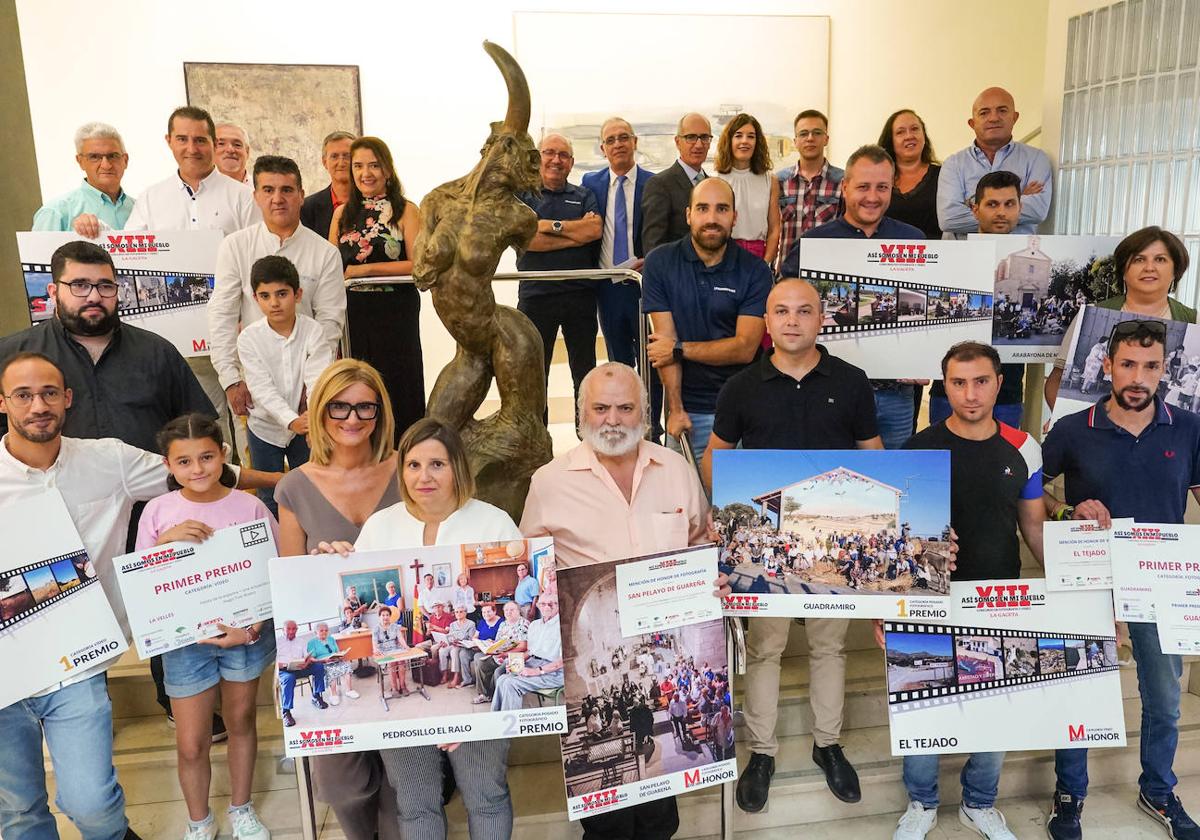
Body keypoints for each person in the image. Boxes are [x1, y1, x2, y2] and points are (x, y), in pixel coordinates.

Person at [0, 353, 275, 838]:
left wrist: (290, 480)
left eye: (48, 393)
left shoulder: (108, 460)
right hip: (7, 663)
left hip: (79, 655)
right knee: (18, 810)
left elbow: (205, 474)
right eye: (23, 395)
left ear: (67, 399)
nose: (37, 405)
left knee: (92, 801)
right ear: (3, 403)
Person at [0, 240, 222, 736]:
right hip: (55, 515)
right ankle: (74, 707)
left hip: (152, 507)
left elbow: (197, 422)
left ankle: (178, 695)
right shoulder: (18, 355)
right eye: (79, 285)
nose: (93, 296)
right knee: (62, 610)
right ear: (53, 291)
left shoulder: (156, 352)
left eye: (104, 285)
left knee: (168, 599)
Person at [700, 279, 883, 812]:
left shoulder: (851, 383)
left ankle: (828, 744)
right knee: (765, 649)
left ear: (822, 319)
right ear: (767, 320)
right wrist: (727, 514)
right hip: (768, 547)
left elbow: (871, 455)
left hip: (830, 546)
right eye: (781, 311)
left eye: (804, 311)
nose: (793, 321)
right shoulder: (741, 386)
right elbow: (716, 455)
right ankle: (762, 752)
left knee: (830, 646)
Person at [521, 360, 721, 840]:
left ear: (645, 413)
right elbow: (531, 572)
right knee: (607, 825)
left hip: (669, 636)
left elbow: (700, 541)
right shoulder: (549, 482)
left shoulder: (675, 468)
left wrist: (717, 572)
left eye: (625, 408)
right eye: (601, 407)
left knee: (660, 819)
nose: (613, 419)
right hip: (588, 657)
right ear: (581, 413)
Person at [1042, 320, 1200, 840]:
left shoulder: (1189, 426)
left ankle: (1157, 790)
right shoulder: (1070, 428)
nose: (1137, 377)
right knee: (1080, 687)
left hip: (1160, 581)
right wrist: (1067, 509)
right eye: (1127, 364)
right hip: (1091, 575)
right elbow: (1032, 492)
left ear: (1165, 370)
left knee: (1164, 696)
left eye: (1150, 366)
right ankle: (1070, 794)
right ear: (1107, 365)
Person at [890, 341, 1044, 840]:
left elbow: (1034, 529)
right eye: (958, 383)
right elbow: (899, 538)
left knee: (994, 706)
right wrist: (884, 605)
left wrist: (1074, 589)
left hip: (999, 596)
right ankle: (921, 802)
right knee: (921, 700)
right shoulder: (918, 449)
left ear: (1000, 383)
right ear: (943, 386)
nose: (971, 393)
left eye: (981, 381)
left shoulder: (1024, 447)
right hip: (930, 598)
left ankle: (980, 802)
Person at [353, 417, 520, 839]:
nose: (423, 476)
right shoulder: (379, 527)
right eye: (413, 465)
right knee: (415, 804)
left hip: (475, 682)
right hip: (414, 673)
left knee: (487, 794)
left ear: (457, 468)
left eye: (437, 465)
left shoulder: (493, 521)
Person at [274, 358, 401, 840]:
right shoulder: (295, 486)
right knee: (344, 788)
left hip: (393, 643)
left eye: (365, 408)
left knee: (402, 788)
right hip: (333, 652)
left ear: (380, 412)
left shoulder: (406, 469)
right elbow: (292, 586)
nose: (352, 419)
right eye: (339, 408)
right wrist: (318, 566)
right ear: (319, 412)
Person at [136, 413, 279, 840]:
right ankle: (199, 820)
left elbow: (271, 569)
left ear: (224, 456)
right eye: (184, 461)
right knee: (191, 741)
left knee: (241, 724)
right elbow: (141, 582)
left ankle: (241, 808)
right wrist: (163, 545)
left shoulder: (250, 505)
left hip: (243, 637)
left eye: (206, 457)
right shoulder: (158, 512)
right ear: (167, 464)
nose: (197, 469)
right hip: (185, 644)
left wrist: (252, 628)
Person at [780, 145, 927, 451]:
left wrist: (926, 356)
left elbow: (926, 311)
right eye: (863, 187)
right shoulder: (814, 243)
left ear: (892, 189)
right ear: (845, 188)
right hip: (826, 390)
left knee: (891, 479)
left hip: (895, 393)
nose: (872, 197)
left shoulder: (915, 241)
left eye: (882, 187)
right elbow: (785, 307)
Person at [211, 155, 346, 467]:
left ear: (300, 194)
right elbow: (223, 313)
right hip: (255, 388)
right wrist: (231, 379)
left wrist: (312, 389)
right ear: (255, 195)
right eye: (268, 190)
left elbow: (329, 322)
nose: (277, 198)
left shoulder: (324, 253)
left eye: (287, 190)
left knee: (314, 477)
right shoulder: (235, 247)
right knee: (265, 482)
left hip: (308, 393)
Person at [642, 177, 771, 460]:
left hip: (744, 412)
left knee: (738, 503)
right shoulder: (660, 263)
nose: (711, 218)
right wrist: (675, 410)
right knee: (684, 502)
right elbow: (664, 344)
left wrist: (679, 348)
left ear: (734, 217)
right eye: (702, 209)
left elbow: (744, 348)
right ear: (688, 215)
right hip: (688, 412)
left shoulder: (756, 271)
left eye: (722, 209)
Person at [330, 136, 425, 437]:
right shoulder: (341, 214)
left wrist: (365, 269)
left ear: (387, 169)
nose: (365, 173)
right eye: (358, 166)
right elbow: (332, 269)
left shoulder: (407, 210)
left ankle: (403, 453)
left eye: (373, 165)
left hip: (395, 312)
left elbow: (418, 265)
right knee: (359, 385)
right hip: (354, 313)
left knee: (399, 383)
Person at [1046, 226, 1196, 409]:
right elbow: (1055, 380)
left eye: (1160, 259)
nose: (1149, 267)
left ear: (1175, 270)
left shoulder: (1194, 319)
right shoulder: (1092, 311)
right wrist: (1066, 422)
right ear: (1124, 270)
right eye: (1139, 259)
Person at [928, 172, 1028, 428]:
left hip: (1007, 390)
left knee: (1001, 462)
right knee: (947, 463)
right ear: (975, 209)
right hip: (949, 390)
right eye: (992, 204)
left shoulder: (1022, 259)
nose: (1001, 212)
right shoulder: (947, 259)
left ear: (1020, 208)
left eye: (1009, 204)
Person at [236, 254, 334, 517]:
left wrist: (312, 418)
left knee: (311, 488)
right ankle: (277, 549)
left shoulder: (313, 331)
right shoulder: (249, 338)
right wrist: (291, 420)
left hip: (305, 427)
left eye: (282, 294)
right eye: (265, 296)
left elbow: (318, 378)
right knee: (269, 495)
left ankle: (309, 546)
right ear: (255, 299)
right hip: (265, 429)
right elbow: (261, 388)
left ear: (298, 294)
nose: (274, 303)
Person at [516, 133, 602, 417]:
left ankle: (587, 435)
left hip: (580, 296)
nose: (556, 160)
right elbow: (526, 241)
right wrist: (571, 230)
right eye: (549, 153)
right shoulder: (523, 196)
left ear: (571, 162)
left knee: (585, 372)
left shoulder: (584, 195)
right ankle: (538, 440)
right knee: (535, 373)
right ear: (538, 158)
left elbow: (593, 231)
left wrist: (545, 226)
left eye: (563, 155)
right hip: (536, 296)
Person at [581, 117, 655, 369]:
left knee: (650, 362)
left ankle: (651, 410)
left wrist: (653, 261)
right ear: (603, 149)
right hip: (607, 287)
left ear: (635, 142)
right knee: (619, 362)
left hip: (643, 285)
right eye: (610, 140)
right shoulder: (590, 183)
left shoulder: (654, 183)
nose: (618, 144)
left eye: (624, 137)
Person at [937, 86, 1052, 238]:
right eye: (984, 113)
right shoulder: (953, 164)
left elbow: (1037, 211)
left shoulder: (1036, 159)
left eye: (1002, 110)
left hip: (1016, 255)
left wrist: (973, 204)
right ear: (972, 123)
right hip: (963, 256)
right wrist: (1015, 202)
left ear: (1015, 117)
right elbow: (948, 219)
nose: (993, 118)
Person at [127, 105, 258, 236]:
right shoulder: (149, 199)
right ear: (169, 141)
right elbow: (129, 252)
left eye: (200, 141)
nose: (192, 149)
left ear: (214, 143)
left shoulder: (245, 197)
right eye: (182, 139)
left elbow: (260, 251)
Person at [33, 121, 134, 236]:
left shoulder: (142, 210)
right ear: (80, 161)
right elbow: (38, 254)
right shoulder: (55, 212)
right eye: (94, 157)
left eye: (113, 156)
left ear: (125, 160)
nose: (106, 165)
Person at [775, 109, 843, 276]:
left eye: (817, 133)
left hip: (827, 275)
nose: (810, 138)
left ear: (826, 139)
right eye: (803, 133)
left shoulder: (843, 181)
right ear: (795, 141)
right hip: (786, 276)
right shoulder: (779, 181)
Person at [714, 113, 781, 264]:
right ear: (729, 140)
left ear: (757, 142)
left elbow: (774, 229)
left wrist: (766, 264)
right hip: (723, 257)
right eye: (738, 135)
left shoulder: (770, 180)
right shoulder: (715, 179)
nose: (745, 141)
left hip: (758, 258)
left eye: (751, 136)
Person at [642, 112, 712, 252]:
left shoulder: (712, 186)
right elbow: (653, 247)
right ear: (677, 142)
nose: (699, 145)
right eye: (690, 137)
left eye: (704, 137)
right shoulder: (659, 185)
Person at [491, 591, 564, 711]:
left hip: (553, 672)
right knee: (502, 679)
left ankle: (511, 726)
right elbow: (530, 652)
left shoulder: (561, 625)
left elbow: (562, 662)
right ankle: (498, 719)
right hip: (534, 662)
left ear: (558, 605)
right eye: (543, 604)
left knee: (511, 684)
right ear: (538, 605)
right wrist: (515, 663)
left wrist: (536, 671)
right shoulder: (535, 625)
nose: (547, 607)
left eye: (552, 604)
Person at [878, 109, 942, 239]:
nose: (909, 136)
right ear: (891, 140)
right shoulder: (877, 178)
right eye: (900, 132)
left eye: (914, 129)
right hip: (884, 255)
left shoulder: (943, 175)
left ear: (924, 135)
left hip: (934, 256)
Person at [471, 600, 529, 704]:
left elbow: (523, 646)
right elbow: (498, 641)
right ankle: (484, 694)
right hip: (501, 654)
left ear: (518, 611)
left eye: (512, 610)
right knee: (481, 664)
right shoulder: (503, 624)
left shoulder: (523, 623)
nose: (508, 612)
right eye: (506, 610)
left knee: (498, 672)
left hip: (515, 657)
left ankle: (498, 697)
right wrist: (491, 643)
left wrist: (505, 654)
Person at [300, 130, 355, 239]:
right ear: (324, 162)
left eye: (347, 156)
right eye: (334, 156)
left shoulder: (373, 204)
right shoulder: (306, 208)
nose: (341, 162)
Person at [276, 619, 329, 727]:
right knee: (288, 679)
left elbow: (307, 656)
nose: (291, 631)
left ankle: (316, 696)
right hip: (284, 671)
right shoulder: (277, 642)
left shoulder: (301, 641)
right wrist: (283, 665)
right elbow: (273, 662)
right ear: (283, 630)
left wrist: (306, 662)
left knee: (318, 667)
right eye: (288, 629)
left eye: (293, 629)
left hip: (300, 668)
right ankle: (286, 712)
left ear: (297, 629)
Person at [307, 622, 357, 705]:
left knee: (347, 665)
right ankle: (333, 694)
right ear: (316, 632)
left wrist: (340, 655)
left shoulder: (331, 639)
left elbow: (337, 651)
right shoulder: (312, 642)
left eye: (326, 630)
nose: (324, 632)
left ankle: (349, 690)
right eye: (321, 631)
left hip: (334, 660)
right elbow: (311, 658)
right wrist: (324, 660)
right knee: (331, 670)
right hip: (322, 663)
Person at [373, 606, 410, 698]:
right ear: (379, 616)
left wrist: (406, 646)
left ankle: (403, 686)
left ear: (390, 616)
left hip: (395, 648)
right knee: (391, 663)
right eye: (383, 615)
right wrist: (375, 649)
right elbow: (374, 642)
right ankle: (394, 688)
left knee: (402, 661)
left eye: (387, 615)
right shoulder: (376, 628)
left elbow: (400, 638)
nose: (385, 617)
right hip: (384, 651)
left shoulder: (395, 626)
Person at [444, 606, 478, 688]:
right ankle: (444, 675)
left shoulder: (471, 624)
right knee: (442, 651)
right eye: (456, 612)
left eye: (461, 612)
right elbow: (451, 637)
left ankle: (456, 677)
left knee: (455, 652)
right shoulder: (452, 624)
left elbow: (471, 639)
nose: (458, 614)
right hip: (454, 644)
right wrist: (450, 641)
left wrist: (459, 641)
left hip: (465, 646)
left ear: (465, 613)